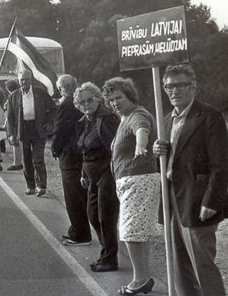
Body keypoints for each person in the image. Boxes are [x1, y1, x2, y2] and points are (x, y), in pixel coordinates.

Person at [152, 63, 228, 295]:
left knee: (202, 265)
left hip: (198, 201)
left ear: (193, 87)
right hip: (172, 200)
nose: (174, 91)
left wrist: (211, 201)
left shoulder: (209, 116)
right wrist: (157, 152)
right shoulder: (165, 119)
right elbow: (163, 166)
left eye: (181, 85)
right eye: (169, 87)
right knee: (178, 264)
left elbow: (221, 165)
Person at [104, 77, 159, 294]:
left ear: (130, 96)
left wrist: (141, 145)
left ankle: (139, 280)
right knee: (136, 232)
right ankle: (142, 277)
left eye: (119, 98)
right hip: (131, 181)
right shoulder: (125, 117)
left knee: (130, 232)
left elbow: (141, 129)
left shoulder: (137, 114)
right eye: (111, 100)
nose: (115, 103)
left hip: (139, 180)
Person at [74, 82, 120, 272]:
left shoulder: (107, 117)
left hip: (107, 171)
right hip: (91, 172)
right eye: (82, 102)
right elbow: (84, 150)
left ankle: (110, 258)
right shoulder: (83, 121)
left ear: (98, 98)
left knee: (106, 216)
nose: (86, 104)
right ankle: (107, 250)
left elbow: (117, 145)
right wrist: (83, 173)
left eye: (90, 100)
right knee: (93, 215)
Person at [51, 74, 91, 246]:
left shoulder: (66, 103)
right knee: (79, 194)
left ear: (62, 88)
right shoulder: (79, 101)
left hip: (69, 153)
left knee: (72, 195)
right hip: (80, 152)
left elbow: (61, 129)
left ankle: (80, 234)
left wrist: (54, 148)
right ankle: (78, 230)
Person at [6, 69, 57, 196]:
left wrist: (50, 123)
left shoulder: (41, 92)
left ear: (31, 80)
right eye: (22, 79)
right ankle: (31, 186)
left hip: (38, 128)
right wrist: (11, 134)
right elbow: (10, 117)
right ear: (19, 80)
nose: (24, 82)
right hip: (23, 130)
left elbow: (53, 108)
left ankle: (41, 185)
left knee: (38, 157)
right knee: (27, 159)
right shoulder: (14, 95)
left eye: (26, 79)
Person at [4, 79, 23, 171]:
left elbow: (9, 114)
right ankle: (18, 161)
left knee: (15, 143)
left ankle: (17, 162)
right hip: (17, 122)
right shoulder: (19, 95)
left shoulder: (11, 97)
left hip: (13, 123)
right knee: (16, 143)